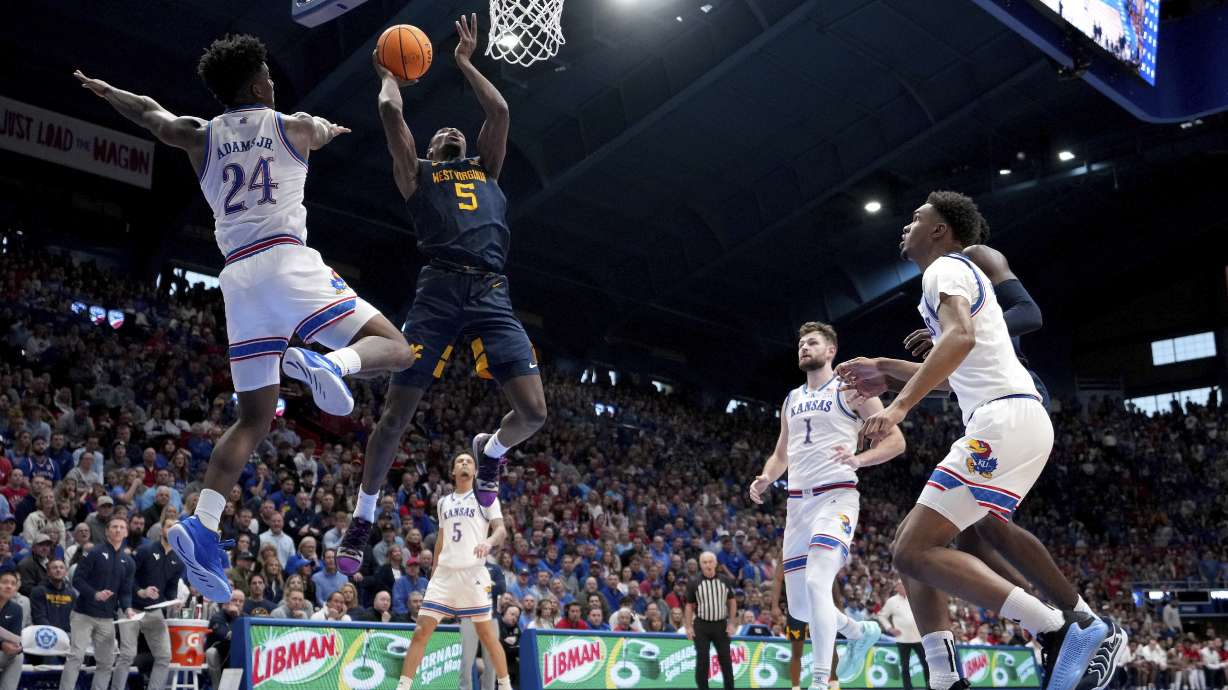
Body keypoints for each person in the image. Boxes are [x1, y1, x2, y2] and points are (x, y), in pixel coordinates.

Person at [74, 32, 417, 602]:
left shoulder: (199, 134)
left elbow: (149, 115)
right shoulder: (293, 125)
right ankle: (333, 362)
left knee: (254, 418)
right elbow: (322, 133)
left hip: (237, 279)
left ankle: (203, 525)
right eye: (269, 76)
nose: (274, 81)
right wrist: (329, 131)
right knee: (396, 346)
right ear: (260, 83)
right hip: (287, 260)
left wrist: (104, 89)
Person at [837, 190, 1115, 690]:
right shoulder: (954, 277)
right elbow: (954, 371)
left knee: (916, 550)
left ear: (941, 231)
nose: (907, 226)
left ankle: (1061, 628)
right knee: (912, 548)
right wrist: (884, 369)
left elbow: (960, 339)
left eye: (916, 217)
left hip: (1003, 420)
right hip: (1012, 418)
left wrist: (900, 405)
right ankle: (945, 678)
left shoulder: (944, 269)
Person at [341, 12, 548, 575]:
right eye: (442, 133)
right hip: (437, 291)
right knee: (394, 417)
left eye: (459, 131)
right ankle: (362, 515)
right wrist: (390, 72)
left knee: (533, 413)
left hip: (491, 290)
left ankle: (491, 452)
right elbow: (389, 113)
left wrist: (463, 62)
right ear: (431, 150)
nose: (453, 131)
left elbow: (500, 111)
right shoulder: (420, 174)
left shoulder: (488, 169)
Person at [901, 241, 1127, 690]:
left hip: (1014, 395)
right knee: (976, 533)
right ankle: (1062, 627)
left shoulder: (979, 256)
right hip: (982, 401)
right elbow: (953, 374)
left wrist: (970, 329)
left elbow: (1030, 312)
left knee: (974, 529)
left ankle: (1075, 622)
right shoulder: (944, 285)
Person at [748, 321, 904, 690]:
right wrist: (767, 477)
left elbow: (896, 441)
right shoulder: (791, 399)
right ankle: (858, 630)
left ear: (831, 350)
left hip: (836, 496)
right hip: (797, 506)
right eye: (801, 343)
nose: (804, 347)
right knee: (801, 609)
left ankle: (820, 681)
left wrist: (860, 460)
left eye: (812, 342)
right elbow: (780, 453)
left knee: (820, 581)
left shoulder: (852, 389)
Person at [394, 452, 513, 690]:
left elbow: (501, 531)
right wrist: (435, 571)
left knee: (488, 636)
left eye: (469, 461)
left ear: (475, 472)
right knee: (421, 631)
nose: (465, 463)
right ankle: (403, 686)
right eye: (460, 461)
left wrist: (488, 543)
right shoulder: (443, 502)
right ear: (453, 472)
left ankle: (505, 684)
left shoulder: (486, 498)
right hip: (445, 576)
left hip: (473, 575)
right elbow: (440, 540)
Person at [60, 515, 137, 690]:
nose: (118, 530)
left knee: (106, 662)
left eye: (121, 527)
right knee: (76, 657)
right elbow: (77, 580)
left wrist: (128, 609)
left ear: (126, 532)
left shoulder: (129, 562)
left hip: (107, 618)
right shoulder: (94, 552)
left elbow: (125, 592)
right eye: (114, 527)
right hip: (83, 614)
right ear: (107, 531)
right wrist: (95, 594)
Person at [119, 516, 183, 690]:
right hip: (132, 607)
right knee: (127, 654)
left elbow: (170, 589)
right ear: (162, 530)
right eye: (169, 526)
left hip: (154, 611)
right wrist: (141, 591)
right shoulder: (145, 550)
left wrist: (173, 602)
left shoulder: (178, 560)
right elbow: (126, 578)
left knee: (164, 656)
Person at [685, 552, 737, 690]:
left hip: (721, 625)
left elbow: (732, 602)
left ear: (715, 563)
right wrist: (688, 627)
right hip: (702, 625)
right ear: (700, 565)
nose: (708, 565)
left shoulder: (725, 580)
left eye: (710, 561)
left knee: (726, 660)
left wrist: (732, 623)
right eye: (704, 562)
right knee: (702, 659)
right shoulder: (694, 582)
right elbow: (689, 606)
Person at [877, 579, 927, 690]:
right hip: (902, 639)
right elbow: (881, 615)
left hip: (918, 637)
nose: (903, 587)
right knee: (905, 666)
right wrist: (890, 628)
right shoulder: (892, 601)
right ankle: (908, 688)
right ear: (896, 588)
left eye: (905, 585)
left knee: (926, 663)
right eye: (900, 585)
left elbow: (924, 613)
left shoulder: (915, 598)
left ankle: (930, 686)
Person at [207, 590, 245, 690]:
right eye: (234, 600)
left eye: (241, 601)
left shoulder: (245, 617)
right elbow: (227, 635)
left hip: (238, 658)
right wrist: (235, 617)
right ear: (226, 602)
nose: (237, 603)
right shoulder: (218, 617)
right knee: (212, 652)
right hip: (222, 658)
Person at [30, 558, 74, 631]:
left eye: (61, 568)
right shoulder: (38, 591)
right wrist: (55, 632)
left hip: (67, 634)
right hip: (46, 633)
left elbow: (73, 618)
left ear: (66, 572)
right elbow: (39, 617)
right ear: (48, 572)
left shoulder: (71, 594)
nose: (58, 570)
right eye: (54, 568)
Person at [0, 570, 22, 690]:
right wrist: (2, 644)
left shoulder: (16, 609)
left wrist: (16, 647)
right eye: (4, 582)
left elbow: (15, 638)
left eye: (13, 584)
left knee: (18, 656)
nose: (9, 586)